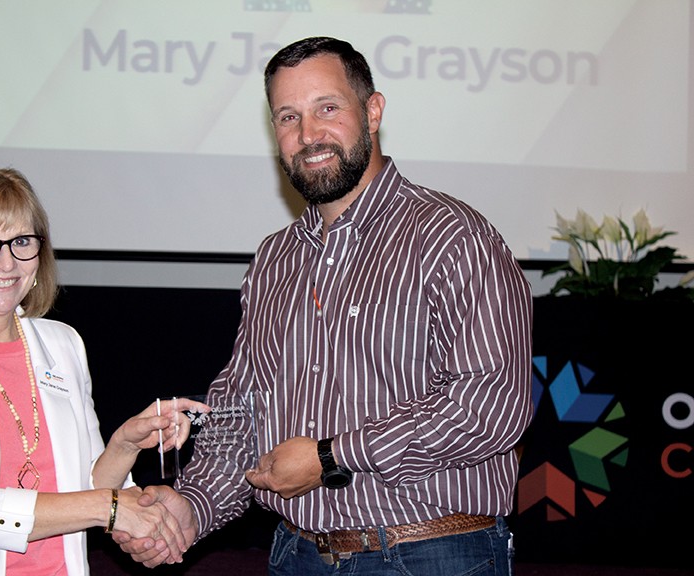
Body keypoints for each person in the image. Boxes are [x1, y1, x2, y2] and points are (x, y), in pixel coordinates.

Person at [118, 36, 534, 576]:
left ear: (374, 111)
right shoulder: (275, 258)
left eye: (327, 109)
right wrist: (192, 506)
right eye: (288, 117)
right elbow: (242, 405)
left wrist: (331, 457)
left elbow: (492, 408)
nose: (308, 135)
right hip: (298, 554)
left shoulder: (453, 237)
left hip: (432, 553)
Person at [0, 166, 207, 576]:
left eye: (21, 242)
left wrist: (124, 445)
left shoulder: (62, 343)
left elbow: (84, 488)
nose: (6, 262)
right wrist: (110, 508)